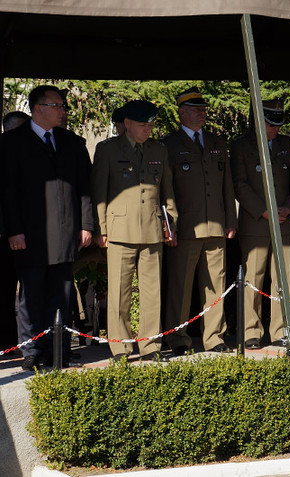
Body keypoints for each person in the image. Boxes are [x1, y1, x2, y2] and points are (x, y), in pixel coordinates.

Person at [0, 86, 93, 370]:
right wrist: (13, 230)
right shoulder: (12, 143)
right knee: (32, 295)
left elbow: (84, 190)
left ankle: (60, 349)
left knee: (62, 295)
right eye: (57, 105)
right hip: (29, 236)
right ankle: (32, 350)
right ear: (38, 108)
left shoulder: (72, 143)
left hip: (66, 234)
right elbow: (7, 192)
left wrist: (86, 225)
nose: (63, 110)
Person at [91, 100, 177, 361]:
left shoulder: (158, 150)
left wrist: (170, 225)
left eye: (151, 124)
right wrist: (101, 229)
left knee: (153, 293)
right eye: (142, 124)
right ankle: (121, 347)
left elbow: (167, 192)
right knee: (120, 293)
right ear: (126, 124)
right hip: (119, 230)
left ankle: (151, 346)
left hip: (152, 229)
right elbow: (99, 193)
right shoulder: (107, 150)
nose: (147, 129)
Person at [162, 87, 237, 355]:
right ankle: (178, 338)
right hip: (186, 228)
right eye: (195, 109)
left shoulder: (217, 142)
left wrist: (231, 220)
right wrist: (170, 226)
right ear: (181, 113)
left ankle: (215, 337)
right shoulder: (168, 145)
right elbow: (166, 190)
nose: (201, 113)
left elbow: (226, 185)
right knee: (180, 287)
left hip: (216, 224)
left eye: (203, 109)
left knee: (216, 284)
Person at [230, 99, 290, 350]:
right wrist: (264, 211)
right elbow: (239, 184)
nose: (276, 130)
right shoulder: (241, 146)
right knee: (253, 278)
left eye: (278, 125)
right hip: (255, 223)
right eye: (271, 124)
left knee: (283, 279)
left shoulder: (287, 145)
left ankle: (282, 330)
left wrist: (288, 208)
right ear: (259, 122)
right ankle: (251, 331)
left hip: (283, 222)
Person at [0, 111, 30, 353]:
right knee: (4, 289)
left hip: (27, 232)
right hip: (4, 233)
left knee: (30, 290)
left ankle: (23, 340)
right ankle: (7, 340)